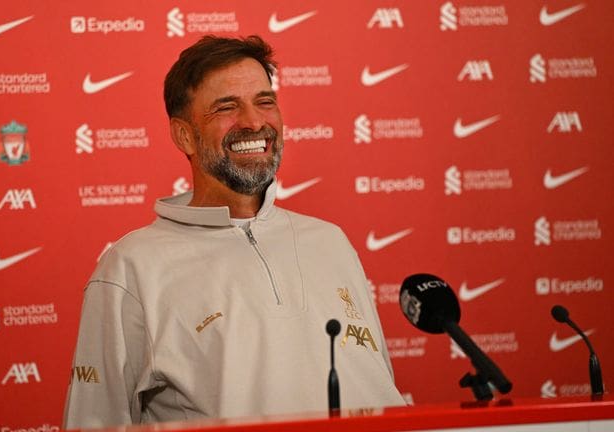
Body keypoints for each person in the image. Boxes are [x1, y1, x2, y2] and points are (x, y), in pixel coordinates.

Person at [62, 35, 406, 429]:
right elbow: (93, 422)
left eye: (265, 101)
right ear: (184, 136)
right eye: (227, 107)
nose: (255, 122)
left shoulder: (331, 242)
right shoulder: (130, 269)